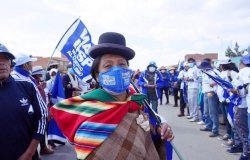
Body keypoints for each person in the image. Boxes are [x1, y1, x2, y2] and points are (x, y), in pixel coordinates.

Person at [51, 32, 174, 160]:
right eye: (108, 66)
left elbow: (148, 130)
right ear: (98, 76)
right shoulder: (88, 111)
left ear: (128, 70)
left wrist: (160, 129)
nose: (117, 70)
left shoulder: (137, 102)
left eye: (122, 64)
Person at [0, 43, 47, 159]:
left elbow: (41, 118)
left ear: (10, 63)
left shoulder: (27, 86)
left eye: (5, 58)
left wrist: (29, 153)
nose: (1, 63)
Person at [31, 66, 54, 155]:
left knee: (43, 129)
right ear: (37, 74)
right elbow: (35, 94)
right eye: (40, 73)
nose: (42, 75)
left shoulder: (40, 82)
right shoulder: (32, 82)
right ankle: (35, 152)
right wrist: (40, 87)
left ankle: (43, 147)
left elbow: (46, 96)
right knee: (38, 130)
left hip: (45, 107)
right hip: (37, 110)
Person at [198, 60, 220, 137]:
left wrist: (213, 86)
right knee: (206, 111)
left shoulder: (213, 72)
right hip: (205, 93)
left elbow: (219, 81)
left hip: (212, 93)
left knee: (213, 113)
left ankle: (215, 130)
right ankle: (208, 126)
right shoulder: (204, 73)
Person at [185, 58, 199, 122]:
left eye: (191, 62)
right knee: (190, 102)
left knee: (194, 102)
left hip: (194, 87)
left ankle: (195, 116)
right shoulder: (189, 69)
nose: (190, 63)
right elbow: (187, 77)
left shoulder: (196, 69)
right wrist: (187, 78)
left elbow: (197, 78)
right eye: (189, 62)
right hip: (189, 87)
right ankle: (191, 114)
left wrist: (190, 79)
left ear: (194, 62)